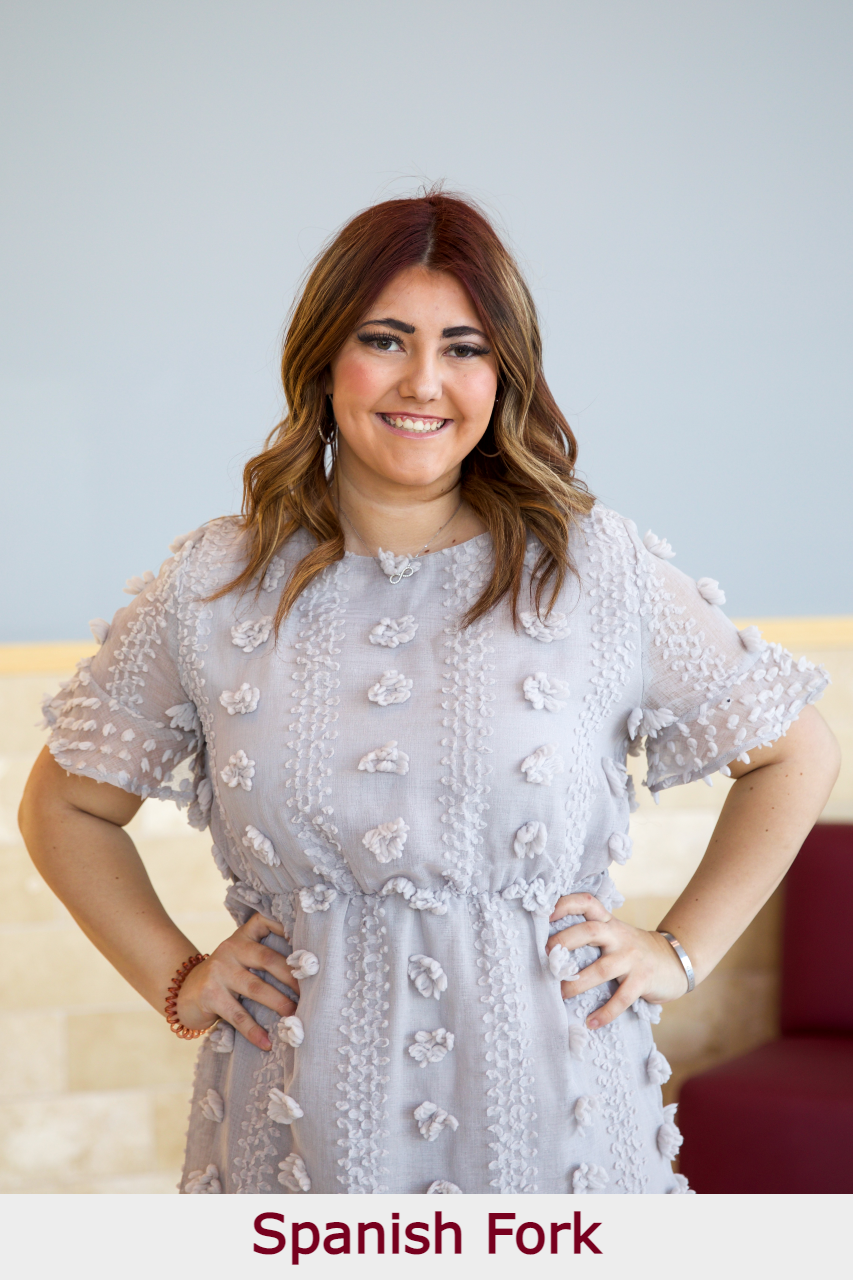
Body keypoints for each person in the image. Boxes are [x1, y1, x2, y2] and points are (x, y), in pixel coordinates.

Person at [20, 191, 839, 1196]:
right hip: (300, 1133)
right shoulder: (214, 584)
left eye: (464, 348)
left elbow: (794, 750)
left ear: (503, 374)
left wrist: (679, 949)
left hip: (556, 1124)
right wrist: (179, 977)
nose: (423, 381)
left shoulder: (592, 569)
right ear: (325, 358)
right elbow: (64, 805)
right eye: (385, 340)